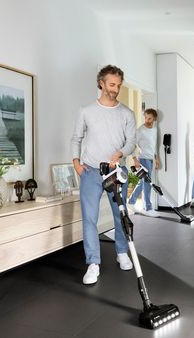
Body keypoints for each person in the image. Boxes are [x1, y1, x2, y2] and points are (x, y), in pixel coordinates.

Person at [71, 65, 136, 285]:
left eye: (118, 85)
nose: (116, 89)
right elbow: (76, 138)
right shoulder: (86, 111)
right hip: (90, 170)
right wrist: (76, 164)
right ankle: (93, 264)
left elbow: (131, 142)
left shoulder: (126, 113)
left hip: (116, 171)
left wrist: (121, 152)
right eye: (111, 84)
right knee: (90, 218)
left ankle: (121, 252)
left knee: (120, 214)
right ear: (101, 83)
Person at [127, 108, 161, 218]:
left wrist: (156, 158)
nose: (147, 120)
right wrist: (135, 160)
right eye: (145, 117)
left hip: (151, 159)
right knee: (147, 183)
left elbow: (153, 145)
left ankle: (131, 201)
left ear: (154, 118)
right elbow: (132, 144)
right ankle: (148, 208)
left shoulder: (155, 129)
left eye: (149, 118)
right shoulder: (140, 130)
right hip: (143, 159)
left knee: (143, 182)